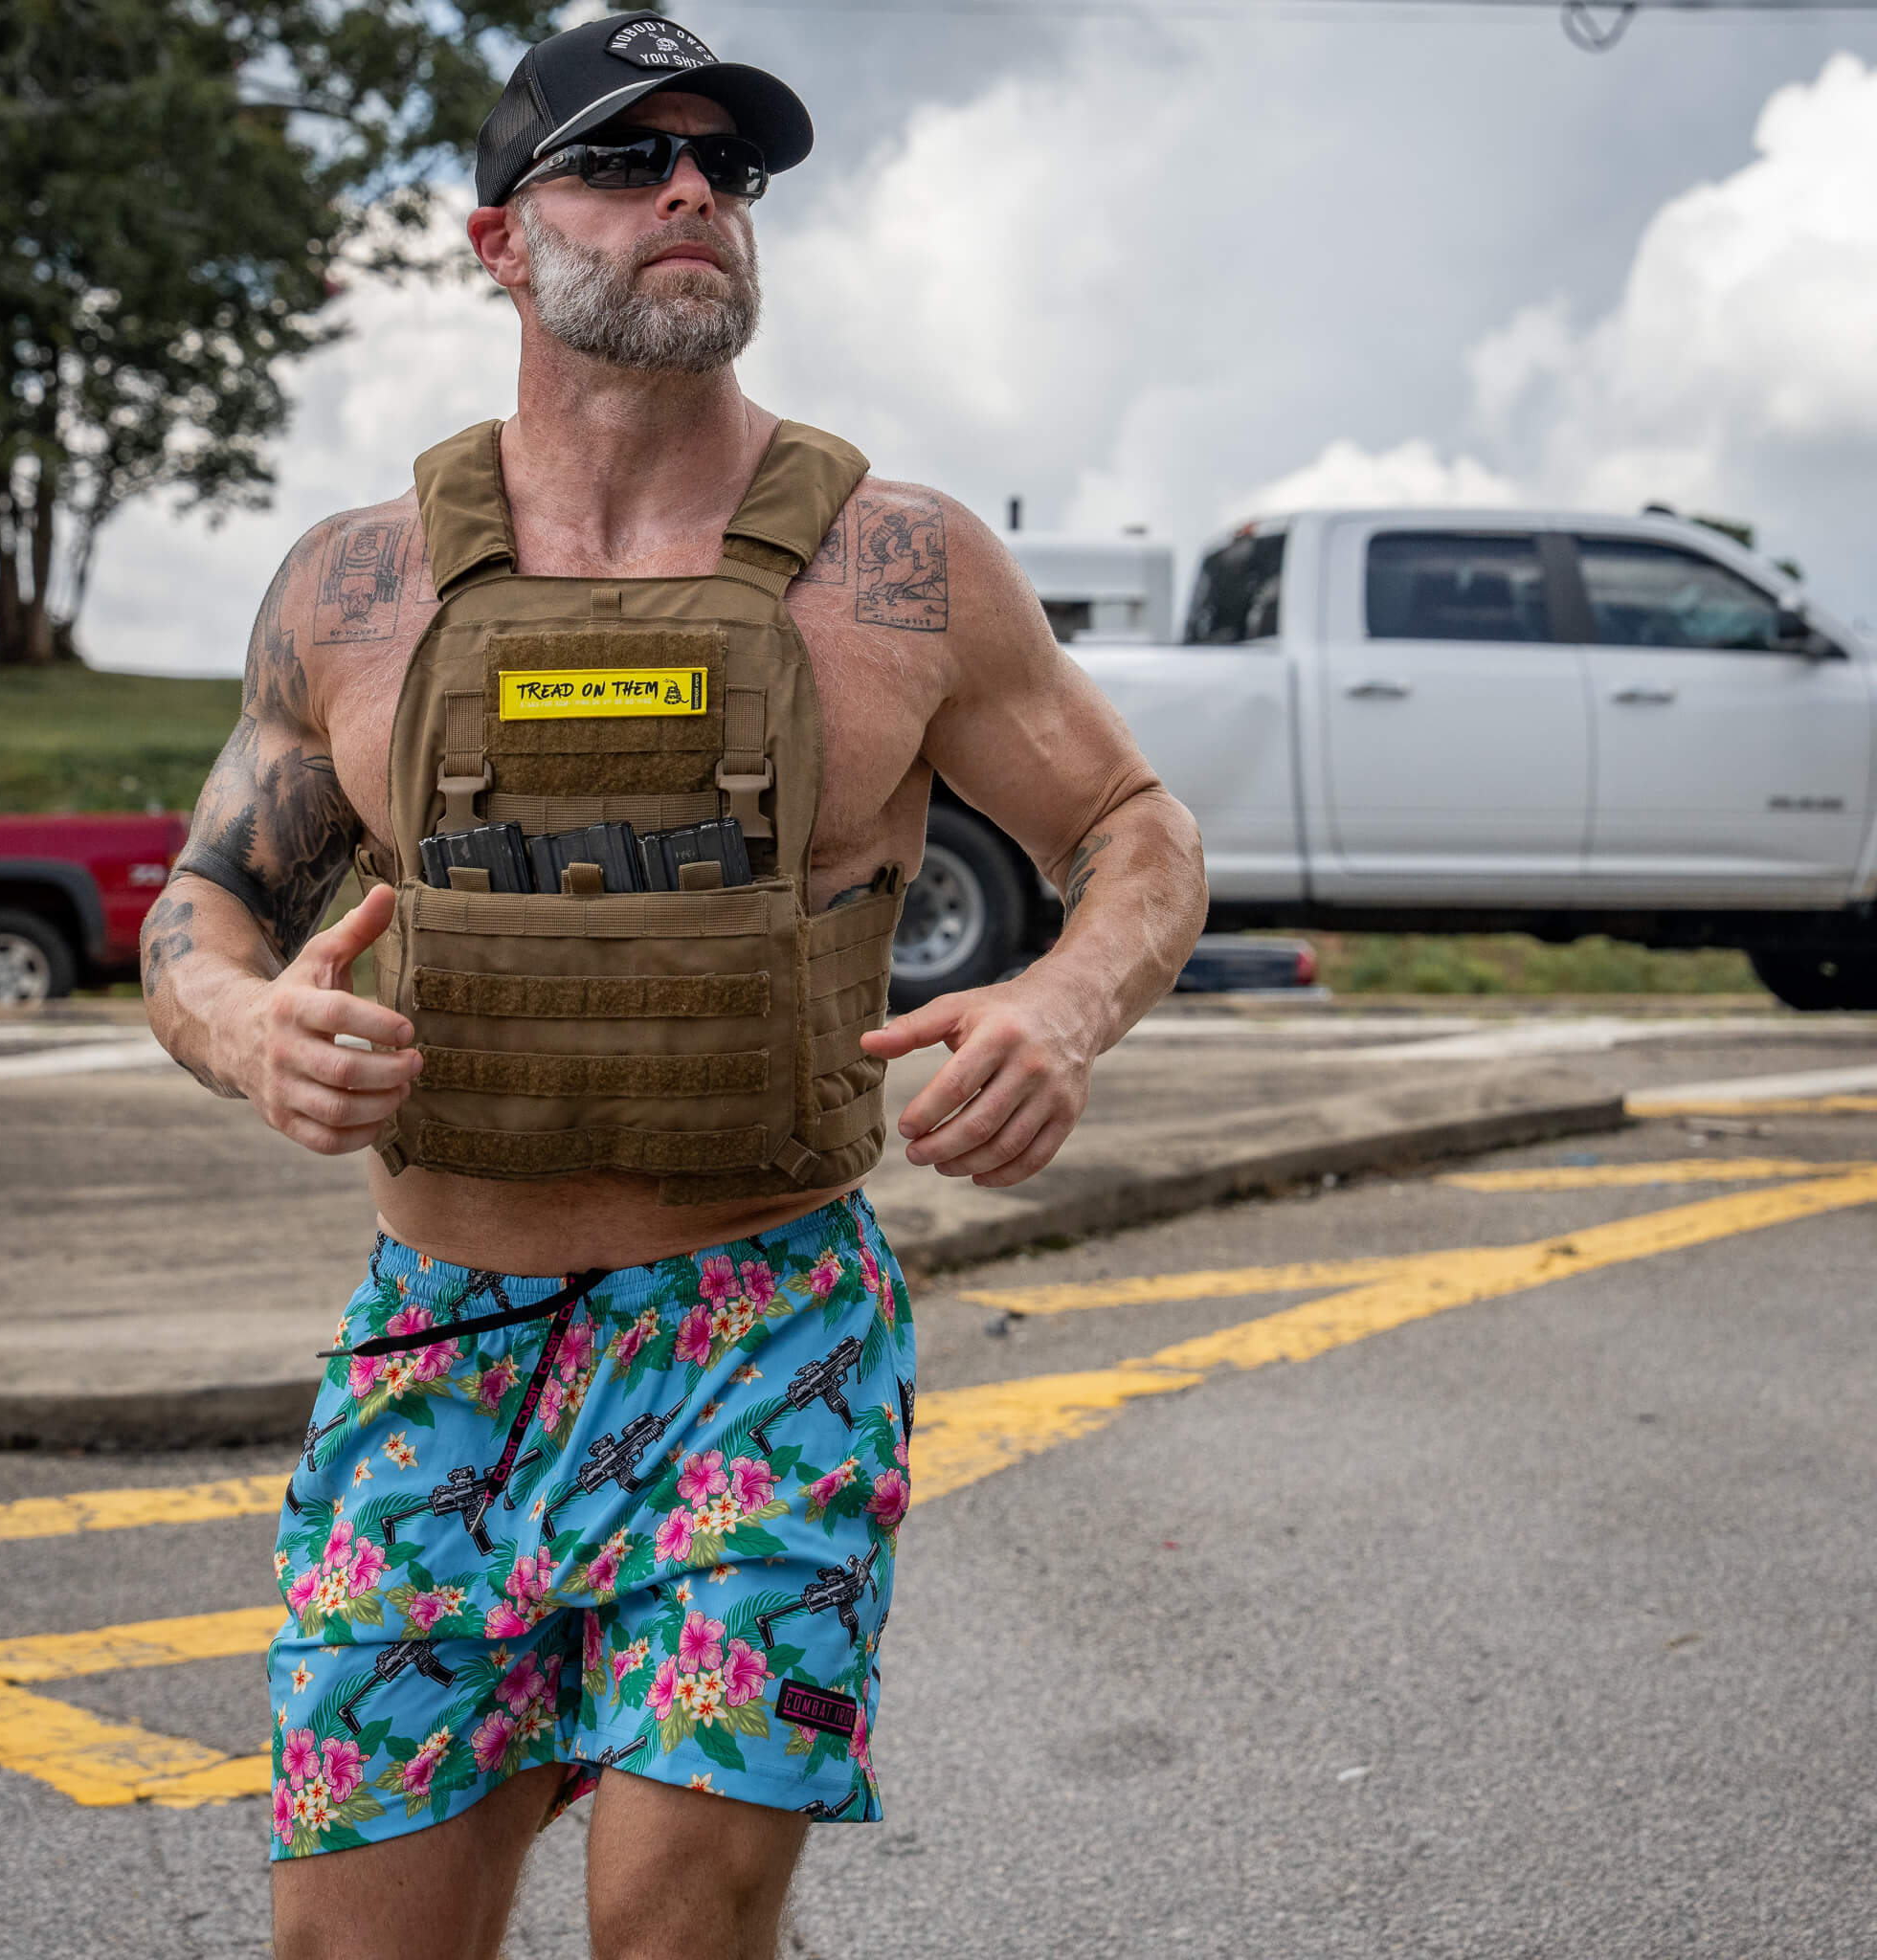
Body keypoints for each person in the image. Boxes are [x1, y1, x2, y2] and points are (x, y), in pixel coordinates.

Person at [142, 11, 1205, 1957]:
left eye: (726, 165)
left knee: (679, 1924)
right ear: (493, 242)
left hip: (765, 1323)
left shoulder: (902, 566)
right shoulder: (355, 589)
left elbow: (1135, 825)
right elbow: (200, 913)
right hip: (441, 1335)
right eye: (627, 163)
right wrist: (247, 1027)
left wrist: (1058, 1007)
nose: (693, 192)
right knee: (352, 1941)